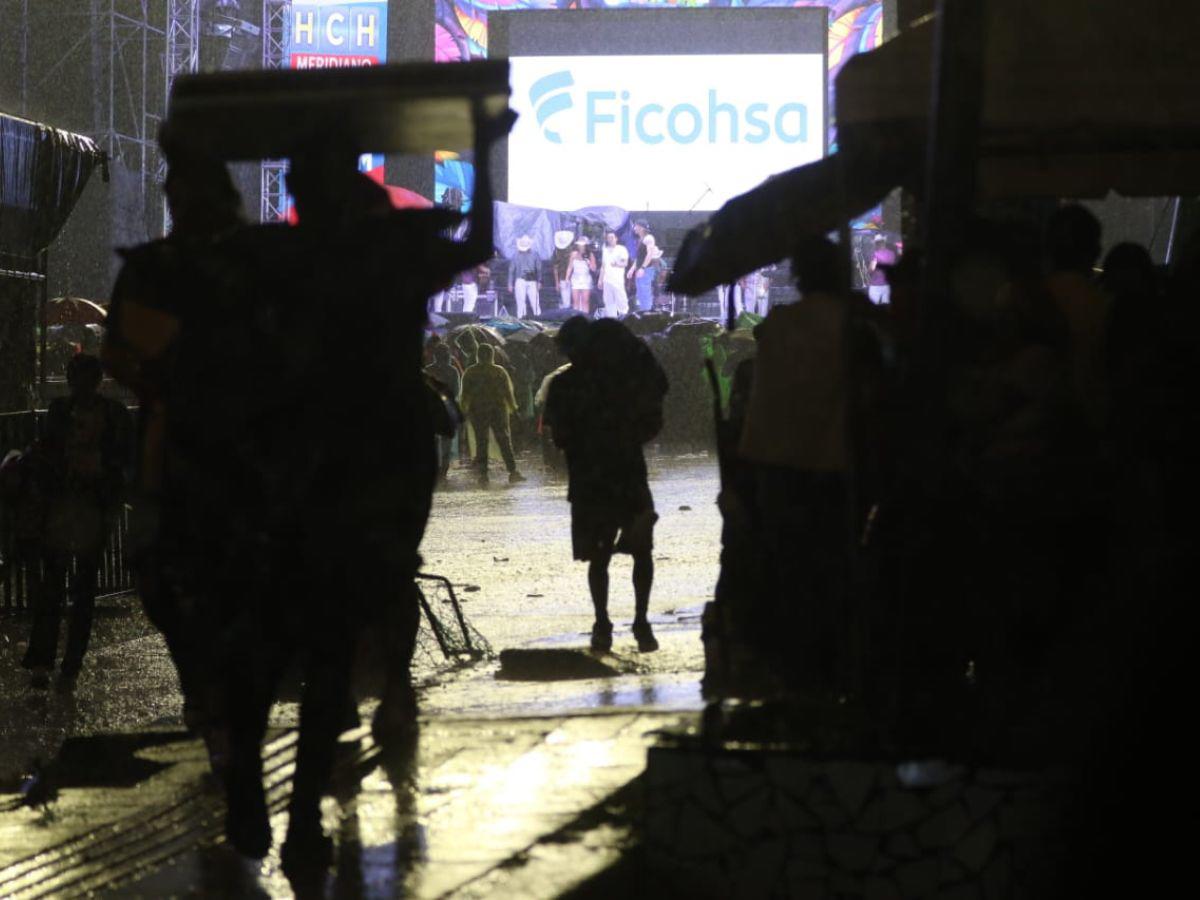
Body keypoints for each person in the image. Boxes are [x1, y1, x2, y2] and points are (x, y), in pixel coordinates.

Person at [544, 317, 668, 653]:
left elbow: (559, 438)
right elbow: (653, 415)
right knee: (642, 551)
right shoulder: (625, 382)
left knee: (598, 558)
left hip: (588, 481)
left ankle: (602, 624)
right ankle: (642, 622)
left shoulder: (564, 386)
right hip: (629, 473)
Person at [22, 354, 132, 689]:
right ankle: (67, 666)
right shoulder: (113, 414)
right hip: (84, 506)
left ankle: (47, 662)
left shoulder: (61, 412)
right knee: (78, 589)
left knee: (58, 586)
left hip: (71, 506)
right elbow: (124, 459)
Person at [460, 343, 526, 484]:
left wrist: (463, 411)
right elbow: (508, 393)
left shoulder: (470, 372)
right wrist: (514, 410)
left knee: (481, 442)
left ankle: (483, 476)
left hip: (478, 412)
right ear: (492, 355)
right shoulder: (499, 371)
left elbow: (465, 395)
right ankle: (513, 472)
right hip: (498, 411)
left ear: (478, 355)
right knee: (504, 441)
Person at [425, 343, 462, 482]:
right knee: (447, 440)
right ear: (447, 356)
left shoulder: (428, 370)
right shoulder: (452, 371)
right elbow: (456, 391)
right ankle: (444, 470)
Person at [628, 220, 659, 312]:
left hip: (646, 270)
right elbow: (639, 257)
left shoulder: (649, 238)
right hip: (640, 270)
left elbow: (650, 254)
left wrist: (643, 268)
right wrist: (632, 269)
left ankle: (647, 316)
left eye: (635, 226)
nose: (634, 228)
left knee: (645, 294)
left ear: (641, 227)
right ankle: (644, 314)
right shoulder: (640, 239)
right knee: (640, 294)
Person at [508, 234, 542, 319]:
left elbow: (539, 268)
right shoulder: (515, 255)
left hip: (531, 279)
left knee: (535, 302)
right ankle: (522, 321)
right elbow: (511, 270)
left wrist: (540, 281)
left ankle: (539, 320)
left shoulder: (535, 254)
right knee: (521, 303)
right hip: (520, 279)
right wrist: (510, 283)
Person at [600, 231, 630, 318]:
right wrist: (600, 280)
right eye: (608, 238)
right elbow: (603, 266)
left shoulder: (621, 249)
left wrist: (616, 264)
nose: (610, 239)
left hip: (618, 280)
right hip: (607, 280)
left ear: (616, 238)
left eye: (612, 237)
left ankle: (624, 318)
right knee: (608, 301)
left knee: (621, 300)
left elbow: (625, 263)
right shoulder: (605, 250)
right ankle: (611, 320)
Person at [568, 237, 597, 313]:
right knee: (575, 301)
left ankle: (585, 318)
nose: (581, 247)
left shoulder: (590, 255)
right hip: (575, 279)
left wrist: (588, 262)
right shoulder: (573, 254)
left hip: (586, 279)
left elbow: (594, 268)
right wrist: (567, 278)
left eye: (583, 245)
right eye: (579, 245)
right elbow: (570, 267)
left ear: (586, 245)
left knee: (585, 301)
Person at [867, 234, 897, 305]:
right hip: (888, 285)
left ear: (876, 243)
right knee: (887, 309)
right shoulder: (892, 254)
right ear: (884, 242)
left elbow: (871, 269)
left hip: (876, 285)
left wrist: (868, 270)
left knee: (872, 309)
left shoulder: (875, 254)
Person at [553, 230, 575, 310]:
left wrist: (556, 282)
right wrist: (557, 282)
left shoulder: (573, 251)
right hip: (568, 278)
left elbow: (555, 268)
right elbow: (555, 268)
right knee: (568, 301)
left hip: (572, 277)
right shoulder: (557, 252)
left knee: (568, 301)